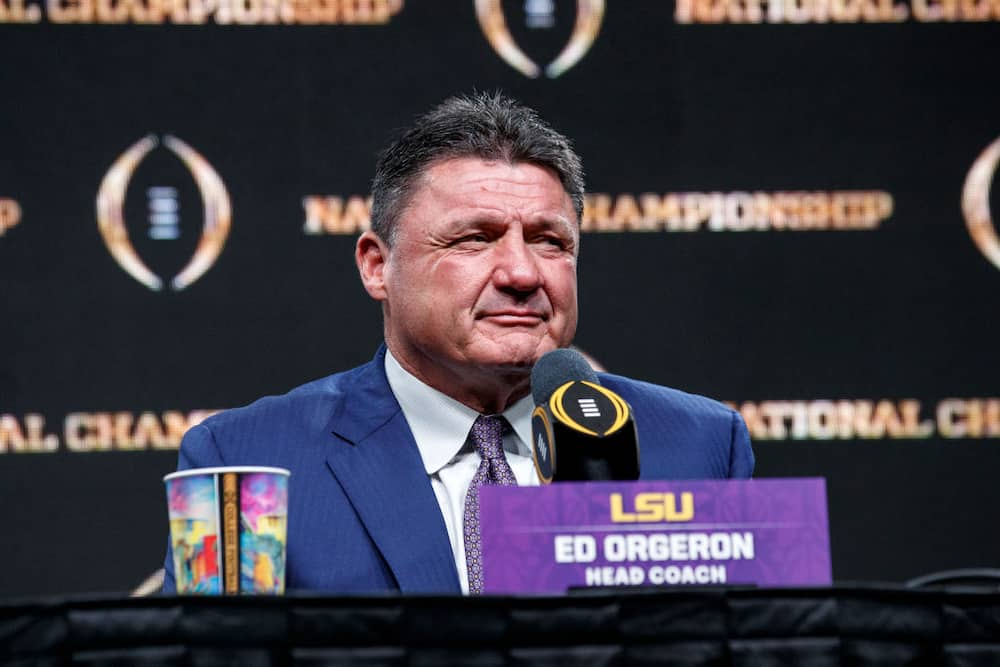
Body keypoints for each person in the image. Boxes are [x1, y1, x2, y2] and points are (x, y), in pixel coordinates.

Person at [162, 92, 754, 595]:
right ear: (376, 266)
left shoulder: (700, 445)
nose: (522, 274)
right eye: (475, 238)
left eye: (550, 241)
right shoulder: (245, 463)